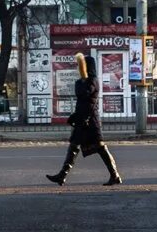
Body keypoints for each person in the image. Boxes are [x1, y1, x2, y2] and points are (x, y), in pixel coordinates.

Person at [46, 54, 122, 186]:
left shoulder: (93, 81)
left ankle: (115, 175)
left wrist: (82, 82)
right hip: (83, 121)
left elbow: (85, 95)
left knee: (100, 148)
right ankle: (62, 175)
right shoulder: (83, 82)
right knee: (74, 146)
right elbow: (81, 99)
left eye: (82, 66)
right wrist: (75, 116)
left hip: (90, 122)